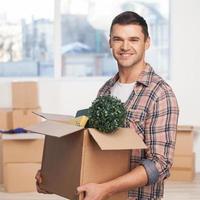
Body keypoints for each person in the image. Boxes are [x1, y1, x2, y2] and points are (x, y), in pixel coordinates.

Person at [36, 11, 179, 200]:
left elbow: (160, 165)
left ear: (147, 43)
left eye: (133, 39)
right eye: (118, 39)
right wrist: (55, 179)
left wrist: (107, 188)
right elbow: (91, 150)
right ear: (110, 42)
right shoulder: (106, 90)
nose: (125, 47)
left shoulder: (160, 94)